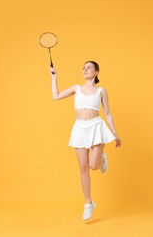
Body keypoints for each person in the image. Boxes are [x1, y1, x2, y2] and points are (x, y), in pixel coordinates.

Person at [50, 60, 122, 221]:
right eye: (83, 67)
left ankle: (101, 159)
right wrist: (54, 77)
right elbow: (56, 96)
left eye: (89, 67)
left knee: (93, 166)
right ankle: (89, 204)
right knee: (83, 168)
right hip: (80, 128)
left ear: (96, 72)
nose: (85, 69)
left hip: (96, 126)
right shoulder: (76, 88)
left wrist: (115, 133)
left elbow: (108, 113)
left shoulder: (101, 91)